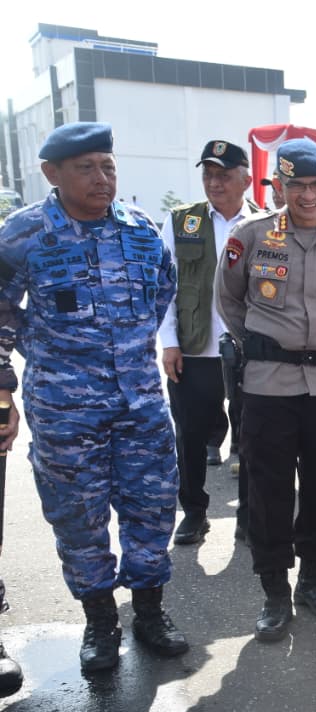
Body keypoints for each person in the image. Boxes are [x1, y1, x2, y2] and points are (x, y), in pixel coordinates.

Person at [0, 122, 189, 671]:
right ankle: (100, 622)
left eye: (108, 165)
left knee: (151, 510)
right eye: (86, 168)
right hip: (63, 409)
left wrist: (125, 352)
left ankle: (150, 612)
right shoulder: (24, 234)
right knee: (78, 518)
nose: (102, 178)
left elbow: (162, 292)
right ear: (51, 174)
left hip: (141, 404)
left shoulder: (140, 229)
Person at [216, 138, 316, 643]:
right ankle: (275, 592)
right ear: (280, 186)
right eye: (297, 185)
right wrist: (264, 346)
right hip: (267, 385)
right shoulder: (253, 234)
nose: (308, 195)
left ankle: (313, 580)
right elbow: (230, 301)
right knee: (269, 490)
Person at [161, 140, 257, 547]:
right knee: (190, 435)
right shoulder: (183, 221)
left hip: (250, 350)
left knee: (254, 435)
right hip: (195, 349)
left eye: (223, 175)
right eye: (208, 175)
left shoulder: (265, 223)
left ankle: (250, 515)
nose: (214, 183)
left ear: (246, 179)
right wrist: (168, 342)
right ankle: (195, 512)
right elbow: (164, 287)